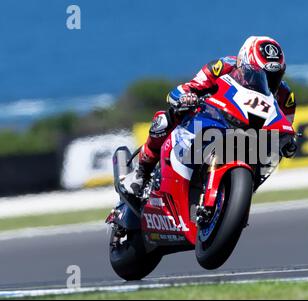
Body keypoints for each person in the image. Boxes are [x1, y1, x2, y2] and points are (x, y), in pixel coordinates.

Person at [122, 36, 298, 195]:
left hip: (251, 144)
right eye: (260, 74)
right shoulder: (221, 67)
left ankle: (236, 196)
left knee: (272, 152)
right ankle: (141, 172)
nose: (267, 81)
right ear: (243, 65)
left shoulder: (285, 97)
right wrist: (186, 97)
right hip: (213, 120)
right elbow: (184, 89)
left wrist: (288, 142)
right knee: (163, 120)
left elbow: (284, 130)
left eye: (273, 76)